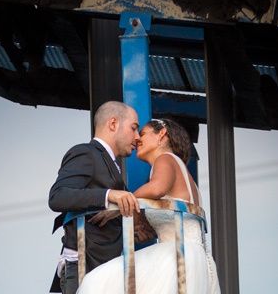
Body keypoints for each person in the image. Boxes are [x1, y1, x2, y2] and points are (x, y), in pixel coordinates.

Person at [77, 118, 221, 294]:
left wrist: (119, 203)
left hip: (177, 255)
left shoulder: (165, 159)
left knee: (96, 281)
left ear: (162, 134)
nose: (137, 139)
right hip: (188, 255)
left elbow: (156, 188)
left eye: (143, 133)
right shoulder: (177, 167)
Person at [48, 101, 141, 294]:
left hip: (105, 268)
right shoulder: (86, 153)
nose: (137, 137)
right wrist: (109, 195)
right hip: (85, 268)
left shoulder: (113, 164)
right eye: (134, 128)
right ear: (113, 123)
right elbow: (58, 196)